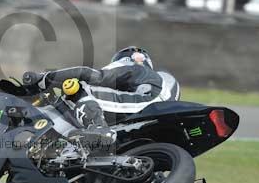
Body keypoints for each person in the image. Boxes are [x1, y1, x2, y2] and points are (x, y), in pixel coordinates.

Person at [23, 47, 180, 151]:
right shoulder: (160, 82)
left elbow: (89, 75)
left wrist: (43, 78)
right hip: (150, 118)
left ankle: (99, 129)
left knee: (80, 86)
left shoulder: (134, 68)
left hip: (145, 101)